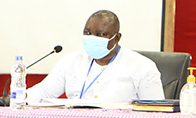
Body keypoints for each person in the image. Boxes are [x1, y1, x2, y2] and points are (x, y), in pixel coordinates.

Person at [26, 10, 164, 104]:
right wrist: (19, 97)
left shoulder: (142, 66)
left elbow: (155, 111)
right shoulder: (71, 61)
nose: (92, 38)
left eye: (100, 34)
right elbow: (44, 91)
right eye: (87, 32)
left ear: (117, 38)